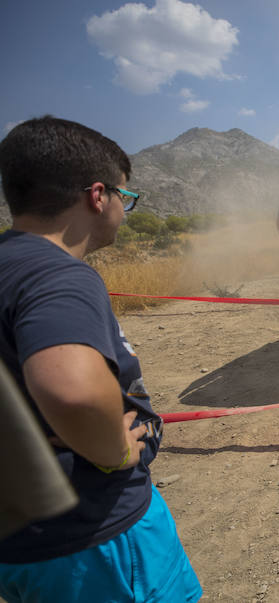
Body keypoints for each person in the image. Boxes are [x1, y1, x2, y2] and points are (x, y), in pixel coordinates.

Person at [0, 116, 202, 603]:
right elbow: (73, 390)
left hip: (24, 547)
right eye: (125, 198)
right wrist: (115, 450)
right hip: (99, 540)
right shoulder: (58, 275)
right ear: (98, 195)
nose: (124, 210)